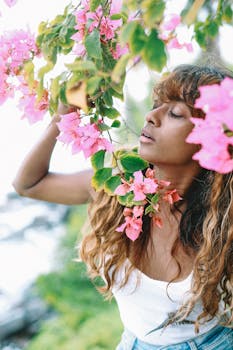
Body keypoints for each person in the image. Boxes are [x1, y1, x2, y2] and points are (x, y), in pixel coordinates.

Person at [13, 64, 233, 349]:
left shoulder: (222, 218)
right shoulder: (120, 185)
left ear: (211, 138)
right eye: (156, 105)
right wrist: (63, 116)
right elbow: (28, 184)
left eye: (176, 113)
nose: (151, 117)